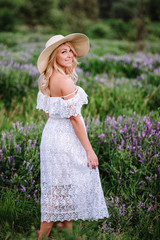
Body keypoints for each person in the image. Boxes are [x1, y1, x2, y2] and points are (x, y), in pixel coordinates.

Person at [36, 33, 109, 240]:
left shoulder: (45, 78)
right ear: (54, 56)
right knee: (58, 190)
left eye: (70, 50)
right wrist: (89, 150)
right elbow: (75, 120)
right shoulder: (65, 81)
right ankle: (42, 235)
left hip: (51, 134)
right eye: (63, 51)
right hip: (65, 138)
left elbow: (49, 113)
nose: (70, 55)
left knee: (61, 186)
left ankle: (66, 235)